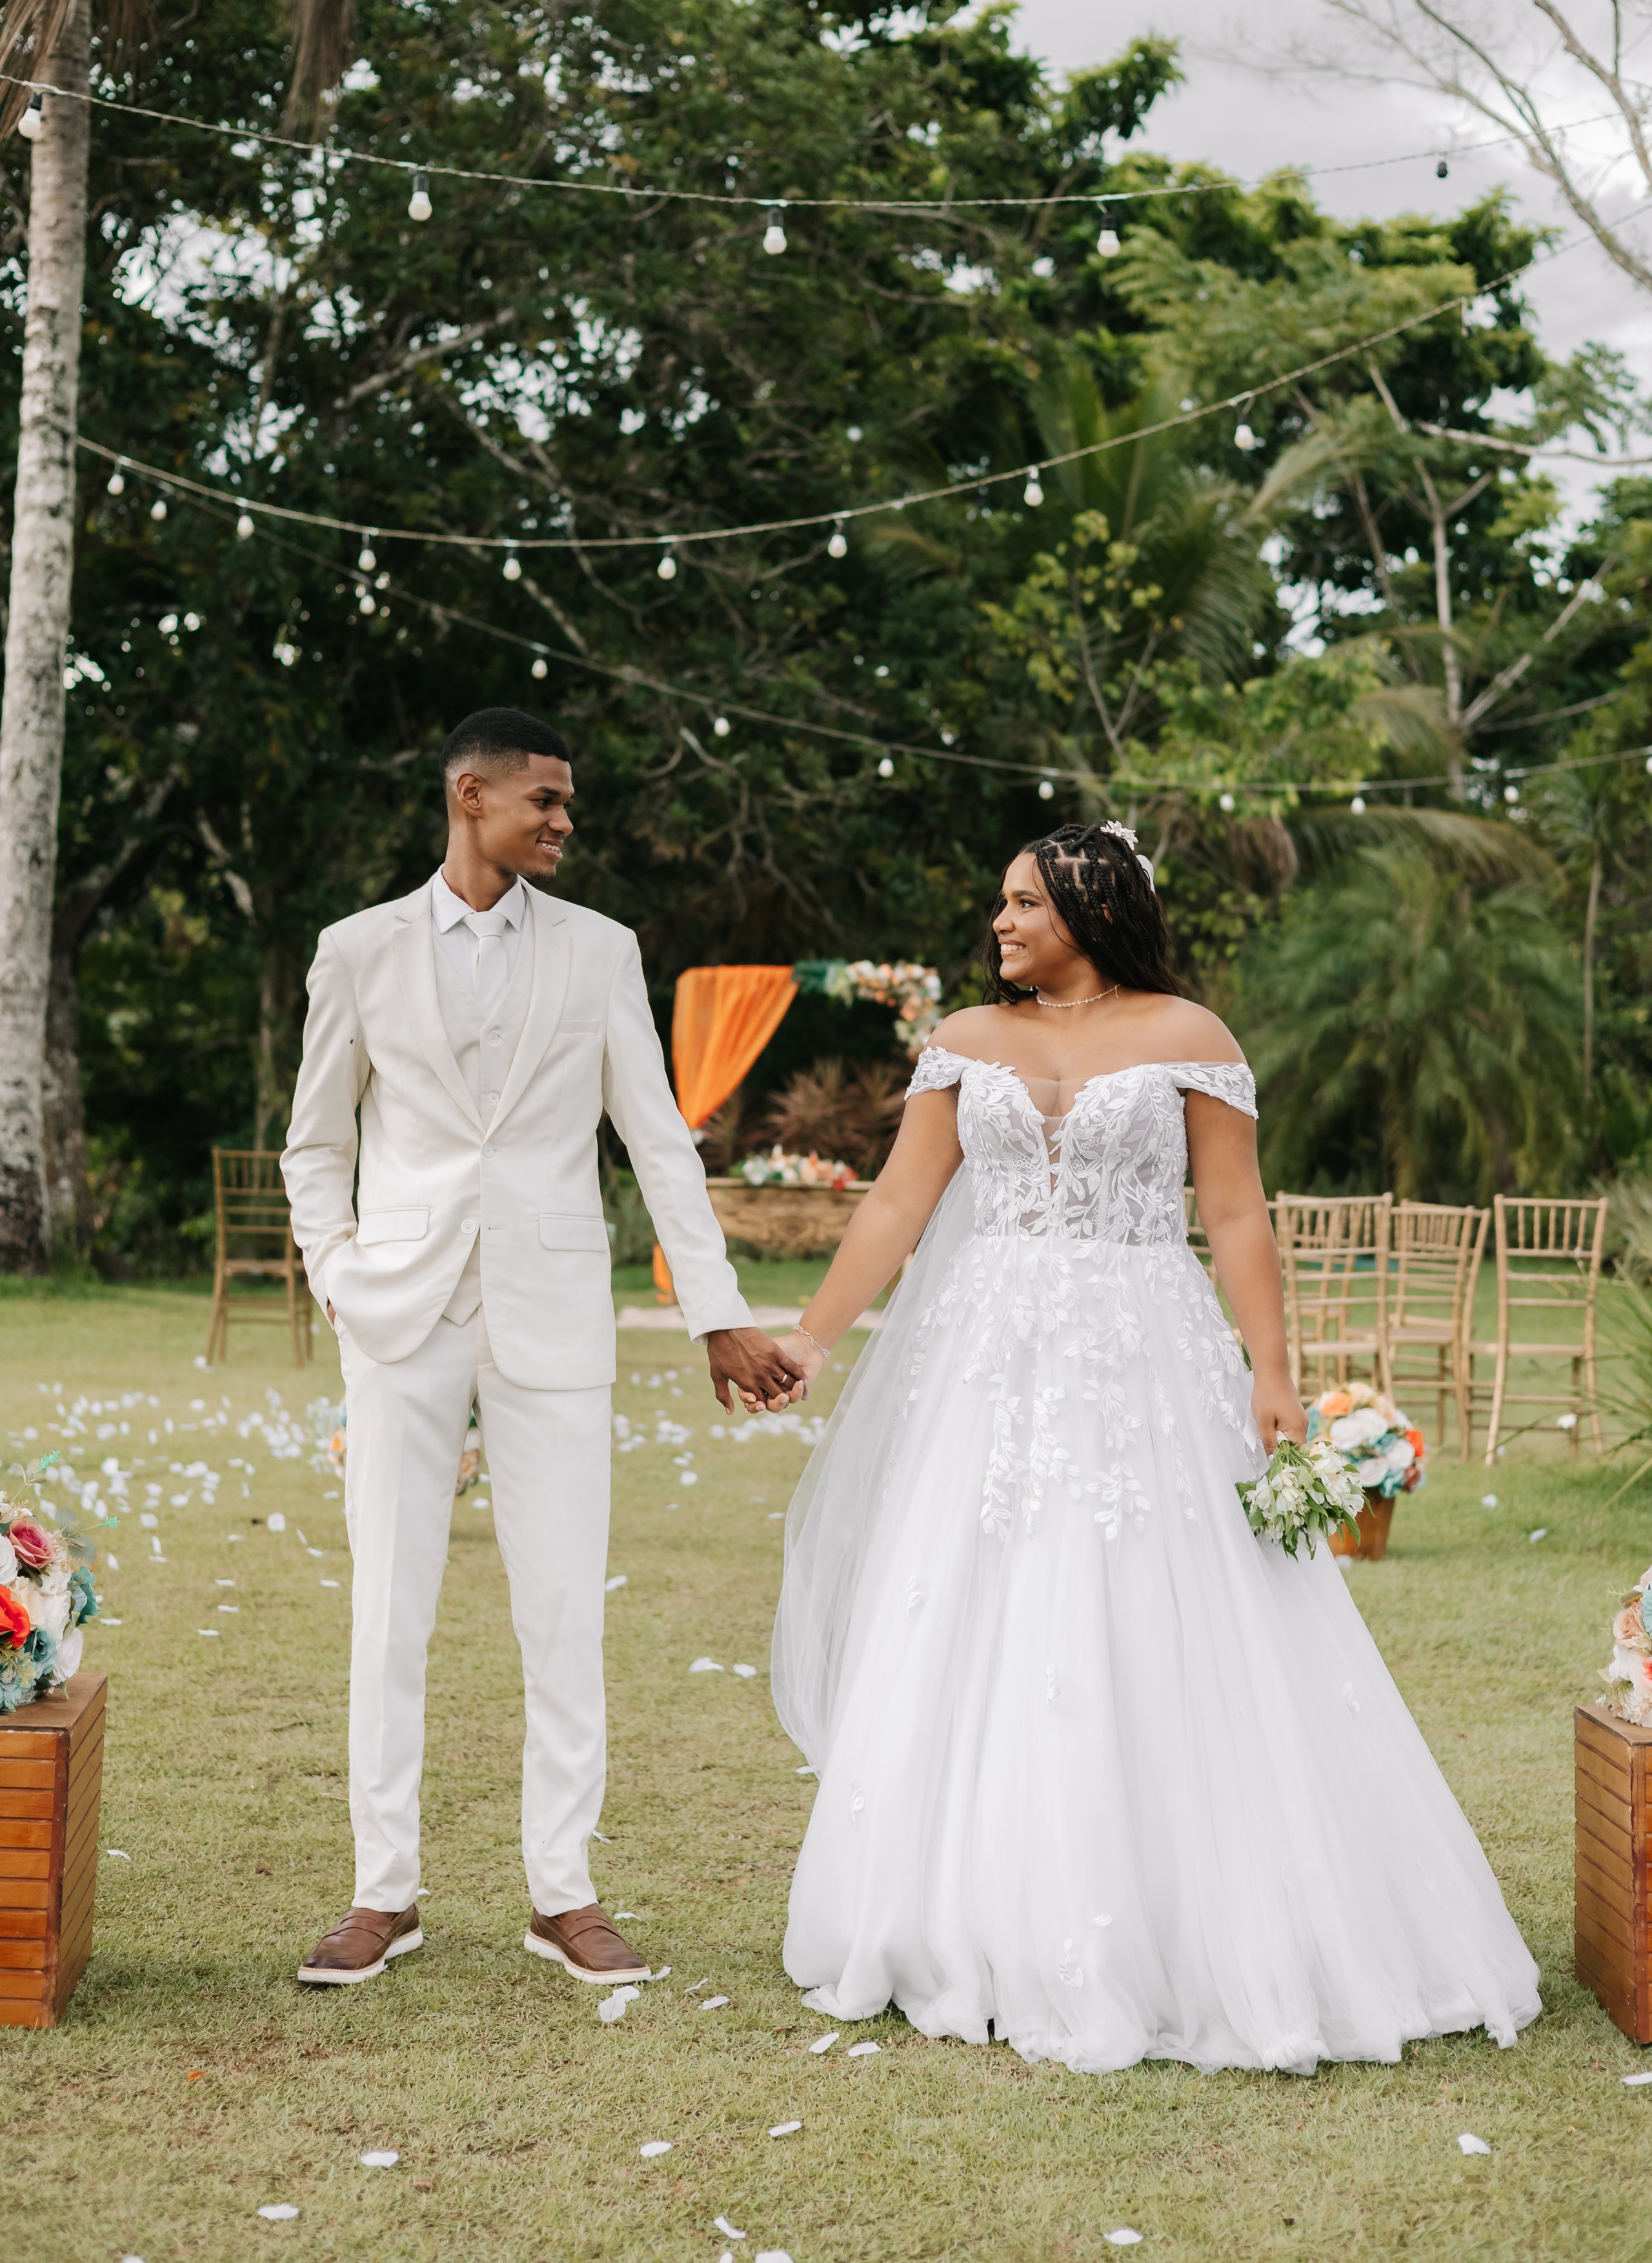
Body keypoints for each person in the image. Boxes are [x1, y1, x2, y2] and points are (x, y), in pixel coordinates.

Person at [768, 821, 1540, 2075]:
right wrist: (806, 1339)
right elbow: (898, 1205)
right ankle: (956, 1914)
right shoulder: (964, 1043)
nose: (1000, 924)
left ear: (1088, 907)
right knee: (971, 1597)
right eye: (999, 903)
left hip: (1144, 1349)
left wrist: (1272, 1375)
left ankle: (1176, 1921)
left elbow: (1233, 1213)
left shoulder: (1191, 1039)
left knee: (1150, 1597)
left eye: (1023, 903)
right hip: (989, 1365)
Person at [281, 707, 799, 1989]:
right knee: (388, 1607)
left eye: (566, 806)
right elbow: (315, 1141)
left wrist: (714, 1308)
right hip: (398, 1312)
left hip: (553, 1314)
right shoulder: (356, 952)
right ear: (472, 795)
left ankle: (561, 1892)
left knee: (563, 1609)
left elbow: (658, 1143)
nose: (566, 822)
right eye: (546, 803)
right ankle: (381, 1892)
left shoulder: (600, 952)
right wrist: (338, 1273)